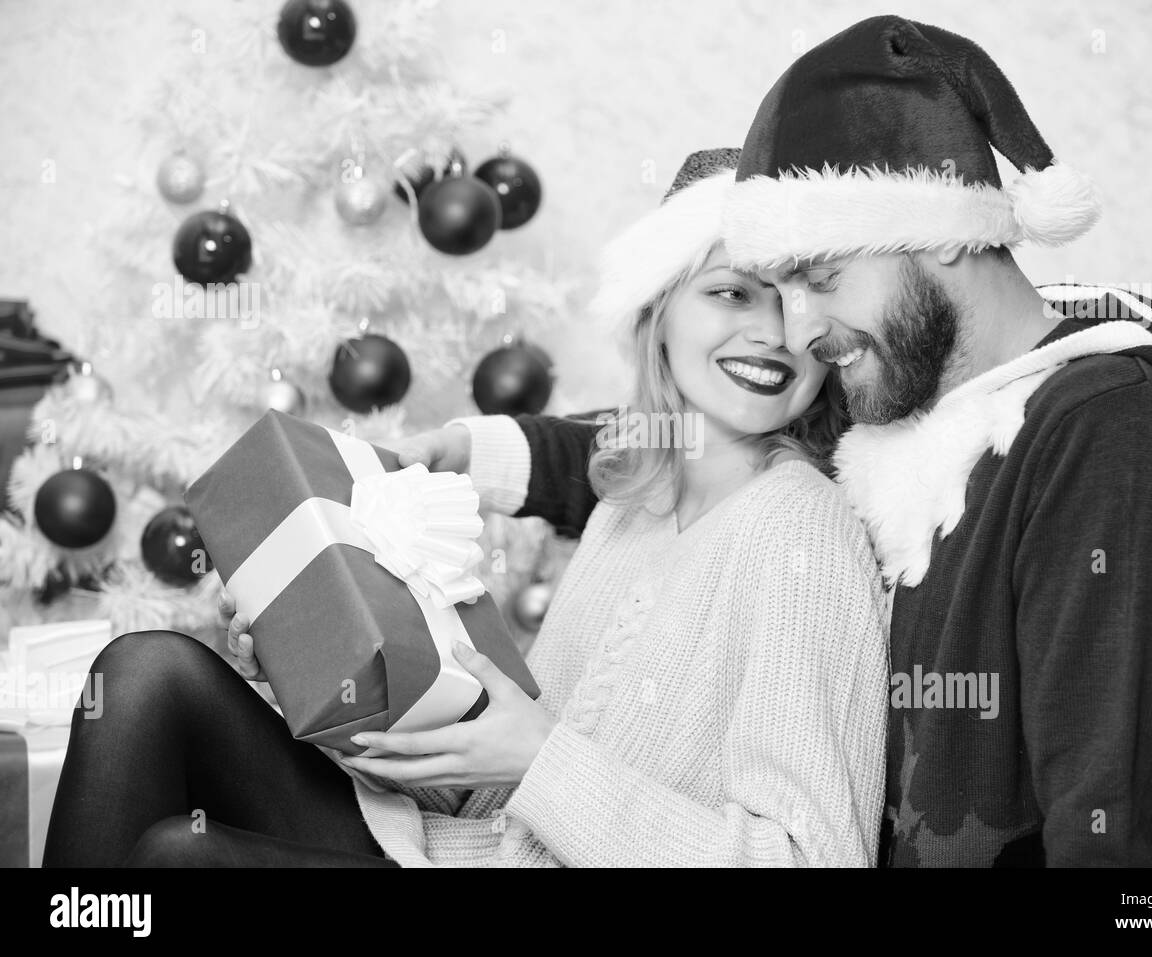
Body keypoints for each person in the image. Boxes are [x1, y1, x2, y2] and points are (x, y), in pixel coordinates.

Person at [401, 16, 1152, 866]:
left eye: (821, 278)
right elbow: (684, 444)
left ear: (941, 231)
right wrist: (474, 451)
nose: (798, 331)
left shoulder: (1113, 439)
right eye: (770, 289)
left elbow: (1111, 843)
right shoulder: (903, 405)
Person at [43, 149, 890, 868]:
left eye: (797, 300)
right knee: (145, 674)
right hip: (452, 843)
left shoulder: (800, 528)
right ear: (660, 307)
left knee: (178, 857)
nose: (774, 333)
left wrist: (543, 760)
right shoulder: (634, 501)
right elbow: (490, 783)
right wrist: (316, 668)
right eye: (734, 293)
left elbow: (810, 858)